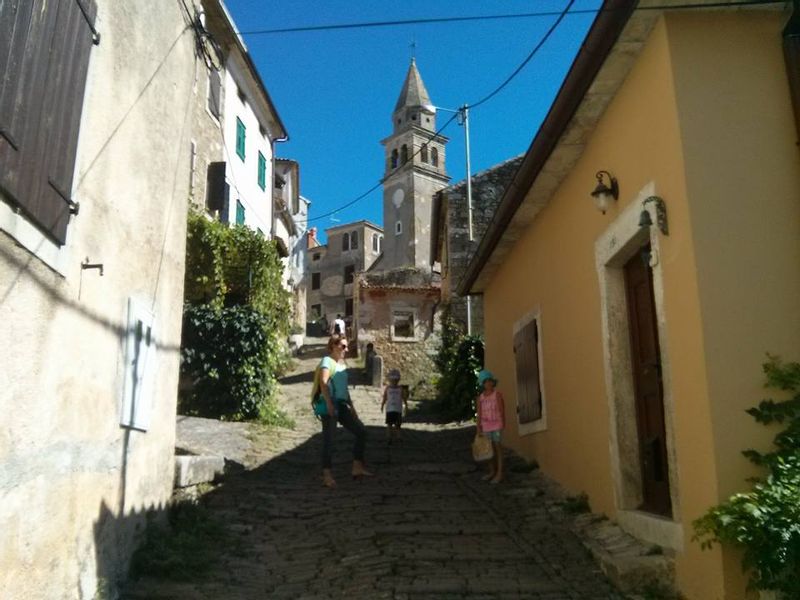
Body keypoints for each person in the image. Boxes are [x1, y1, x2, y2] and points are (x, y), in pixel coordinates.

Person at [312, 334, 372, 488]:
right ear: (333, 346)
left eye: (346, 346)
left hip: (342, 405)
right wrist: (329, 404)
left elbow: (344, 389)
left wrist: (352, 406)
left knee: (361, 431)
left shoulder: (341, 365)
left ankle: (357, 467)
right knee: (329, 440)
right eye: (342, 346)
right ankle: (326, 475)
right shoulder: (327, 361)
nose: (345, 349)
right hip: (329, 405)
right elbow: (323, 383)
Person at [476, 369, 505, 484]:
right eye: (485, 382)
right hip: (486, 426)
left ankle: (500, 473)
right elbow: (479, 413)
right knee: (488, 450)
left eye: (489, 381)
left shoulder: (497, 395)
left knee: (498, 447)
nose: (488, 384)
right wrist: (478, 427)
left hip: (496, 425)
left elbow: (502, 410)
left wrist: (502, 423)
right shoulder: (480, 398)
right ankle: (492, 471)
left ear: (493, 382)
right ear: (482, 384)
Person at [380, 369, 408, 443]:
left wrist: (382, 406)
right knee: (398, 425)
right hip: (398, 409)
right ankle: (398, 437)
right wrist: (406, 406)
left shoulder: (388, 388)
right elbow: (404, 398)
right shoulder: (400, 389)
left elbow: (384, 398)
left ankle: (389, 437)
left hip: (389, 409)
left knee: (389, 425)